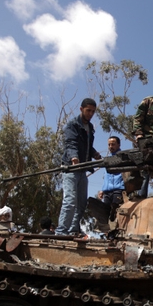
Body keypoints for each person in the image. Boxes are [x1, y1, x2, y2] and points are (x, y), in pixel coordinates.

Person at [57, 98, 102, 235]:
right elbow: (71, 143)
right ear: (81, 109)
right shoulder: (72, 125)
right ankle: (61, 231)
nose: (90, 114)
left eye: (93, 111)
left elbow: (87, 145)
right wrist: (74, 157)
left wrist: (94, 153)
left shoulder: (90, 128)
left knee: (81, 203)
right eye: (88, 111)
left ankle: (73, 229)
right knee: (70, 200)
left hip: (82, 170)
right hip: (71, 168)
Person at [97, 136, 125, 221]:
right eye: (109, 144)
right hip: (107, 192)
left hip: (118, 190)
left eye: (113, 144)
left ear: (119, 145)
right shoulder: (108, 160)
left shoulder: (124, 158)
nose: (110, 146)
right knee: (106, 215)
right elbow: (106, 176)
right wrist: (102, 190)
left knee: (116, 214)